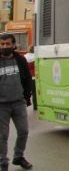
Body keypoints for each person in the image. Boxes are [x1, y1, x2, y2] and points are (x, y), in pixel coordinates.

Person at [0, 33, 32, 171]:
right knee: (2, 136)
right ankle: (3, 162)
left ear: (13, 45)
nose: (4, 46)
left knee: (24, 131)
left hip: (18, 102)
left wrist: (26, 96)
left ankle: (18, 157)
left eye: (7, 44)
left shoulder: (20, 60)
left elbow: (27, 79)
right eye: (2, 44)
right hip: (2, 105)